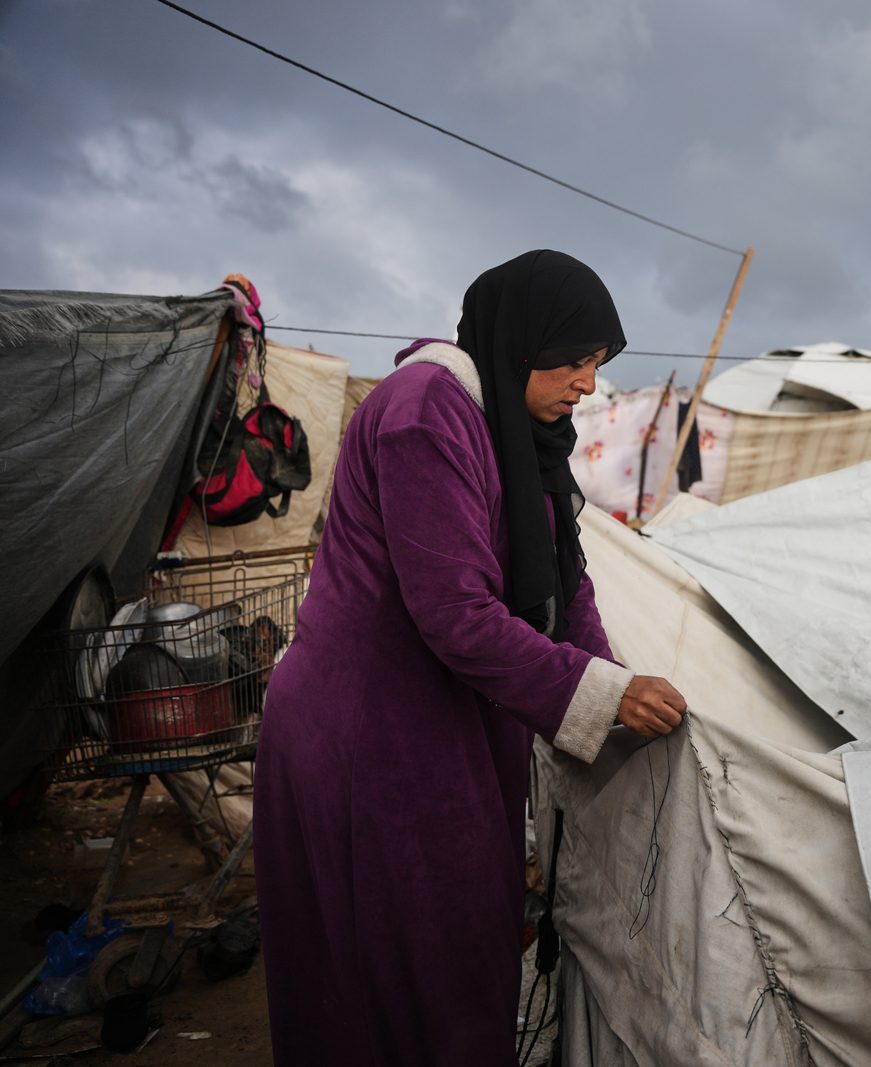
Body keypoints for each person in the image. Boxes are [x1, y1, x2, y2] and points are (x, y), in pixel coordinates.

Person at [254, 250, 687, 1065]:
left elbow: (564, 586)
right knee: (388, 969)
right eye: (572, 360)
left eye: (596, 364)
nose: (587, 383)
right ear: (518, 343)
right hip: (364, 736)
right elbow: (454, 611)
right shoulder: (426, 411)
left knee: (456, 949)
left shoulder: (526, 437)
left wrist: (619, 685)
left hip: (436, 728)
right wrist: (599, 695)